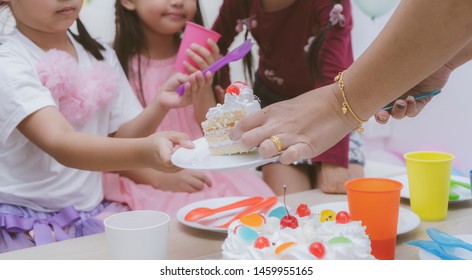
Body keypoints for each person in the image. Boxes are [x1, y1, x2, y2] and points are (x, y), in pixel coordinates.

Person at [0, 0, 208, 253]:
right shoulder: (8, 62)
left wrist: (159, 105)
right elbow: (61, 143)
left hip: (90, 214)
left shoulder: (99, 53)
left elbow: (121, 138)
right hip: (23, 223)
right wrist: (146, 152)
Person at [229, 0, 472, 166]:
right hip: (300, 110)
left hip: (330, 106)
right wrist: (442, 65)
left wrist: (337, 106)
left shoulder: (330, 6)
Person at [104, 0, 275, 216]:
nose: (177, 2)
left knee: (256, 213)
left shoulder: (202, 58)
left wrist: (205, 80)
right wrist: (161, 178)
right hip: (146, 176)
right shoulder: (114, 65)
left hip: (206, 167)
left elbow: (212, 132)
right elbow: (116, 150)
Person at [211, 0, 363, 195]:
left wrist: (334, 161)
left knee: (340, 195)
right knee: (289, 205)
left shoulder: (332, 4)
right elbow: (215, 47)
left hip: (336, 108)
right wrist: (228, 101)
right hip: (277, 107)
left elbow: (332, 80)